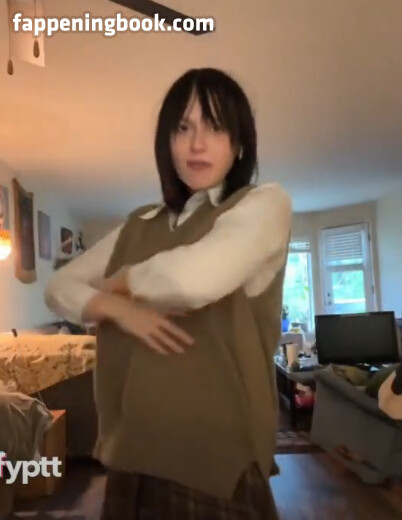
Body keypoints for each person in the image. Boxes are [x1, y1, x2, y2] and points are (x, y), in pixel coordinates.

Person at [44, 67, 292, 519]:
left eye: (215, 127)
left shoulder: (264, 205)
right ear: (167, 143)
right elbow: (58, 287)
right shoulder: (139, 223)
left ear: (238, 143)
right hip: (130, 452)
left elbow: (195, 279)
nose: (197, 143)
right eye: (183, 127)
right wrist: (120, 309)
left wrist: (120, 283)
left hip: (216, 462)